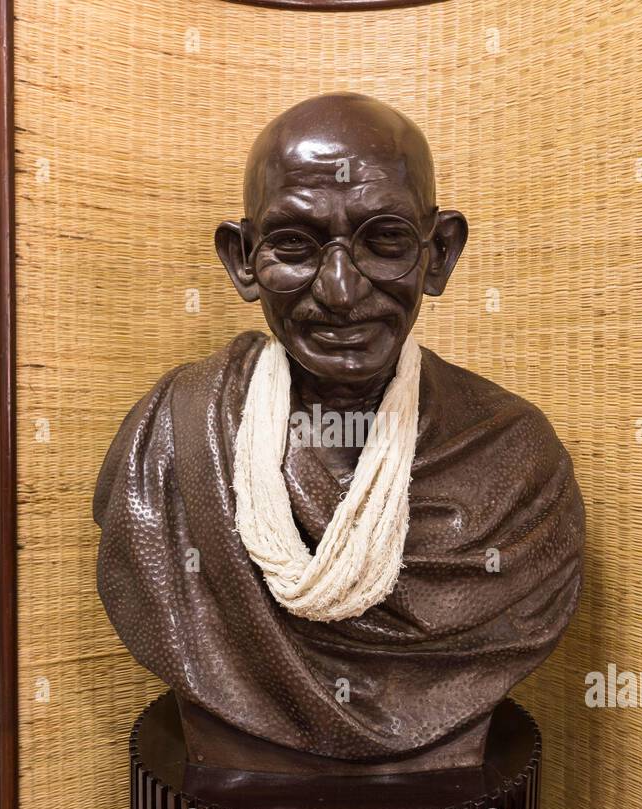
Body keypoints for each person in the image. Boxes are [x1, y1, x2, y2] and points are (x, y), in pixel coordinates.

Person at [95, 93, 585, 769]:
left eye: (383, 240)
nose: (340, 290)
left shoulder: (517, 464)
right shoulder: (175, 442)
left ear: (438, 254)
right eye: (294, 245)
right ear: (242, 259)